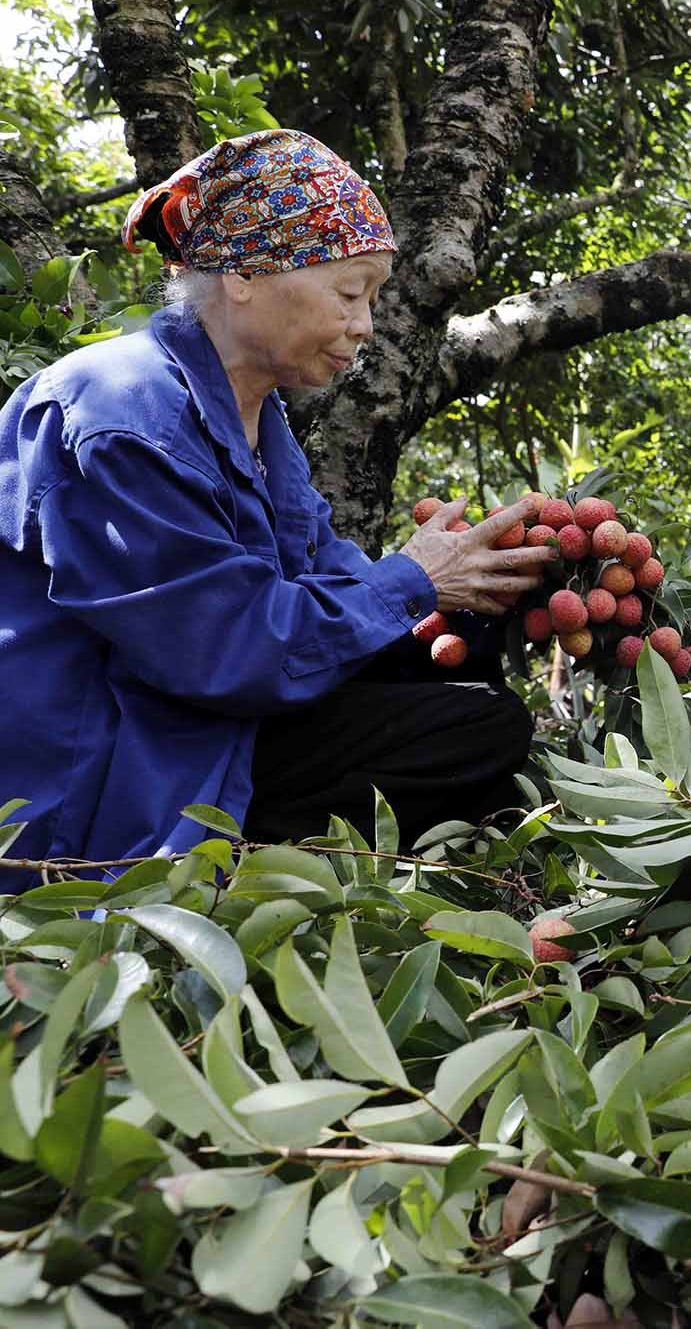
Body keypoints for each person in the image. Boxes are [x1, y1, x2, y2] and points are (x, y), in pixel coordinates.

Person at [0, 129, 556, 892]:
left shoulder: (257, 418)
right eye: (350, 292)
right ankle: (221, 890)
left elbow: (325, 582)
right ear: (246, 275)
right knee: (481, 733)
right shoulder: (123, 413)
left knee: (466, 692)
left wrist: (472, 595)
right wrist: (412, 580)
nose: (364, 326)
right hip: (112, 779)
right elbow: (231, 649)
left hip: (198, 716)